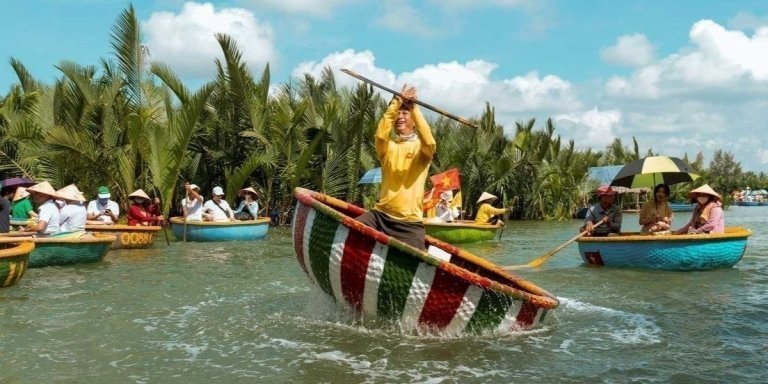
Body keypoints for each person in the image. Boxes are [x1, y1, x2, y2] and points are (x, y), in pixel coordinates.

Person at [355, 84, 436, 250]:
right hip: (379, 216)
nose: (400, 116)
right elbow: (380, 134)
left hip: (409, 223)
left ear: (413, 120)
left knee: (415, 265)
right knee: (348, 230)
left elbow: (429, 140)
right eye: (398, 113)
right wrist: (397, 102)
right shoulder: (388, 147)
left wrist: (413, 107)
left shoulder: (422, 149)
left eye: (405, 113)